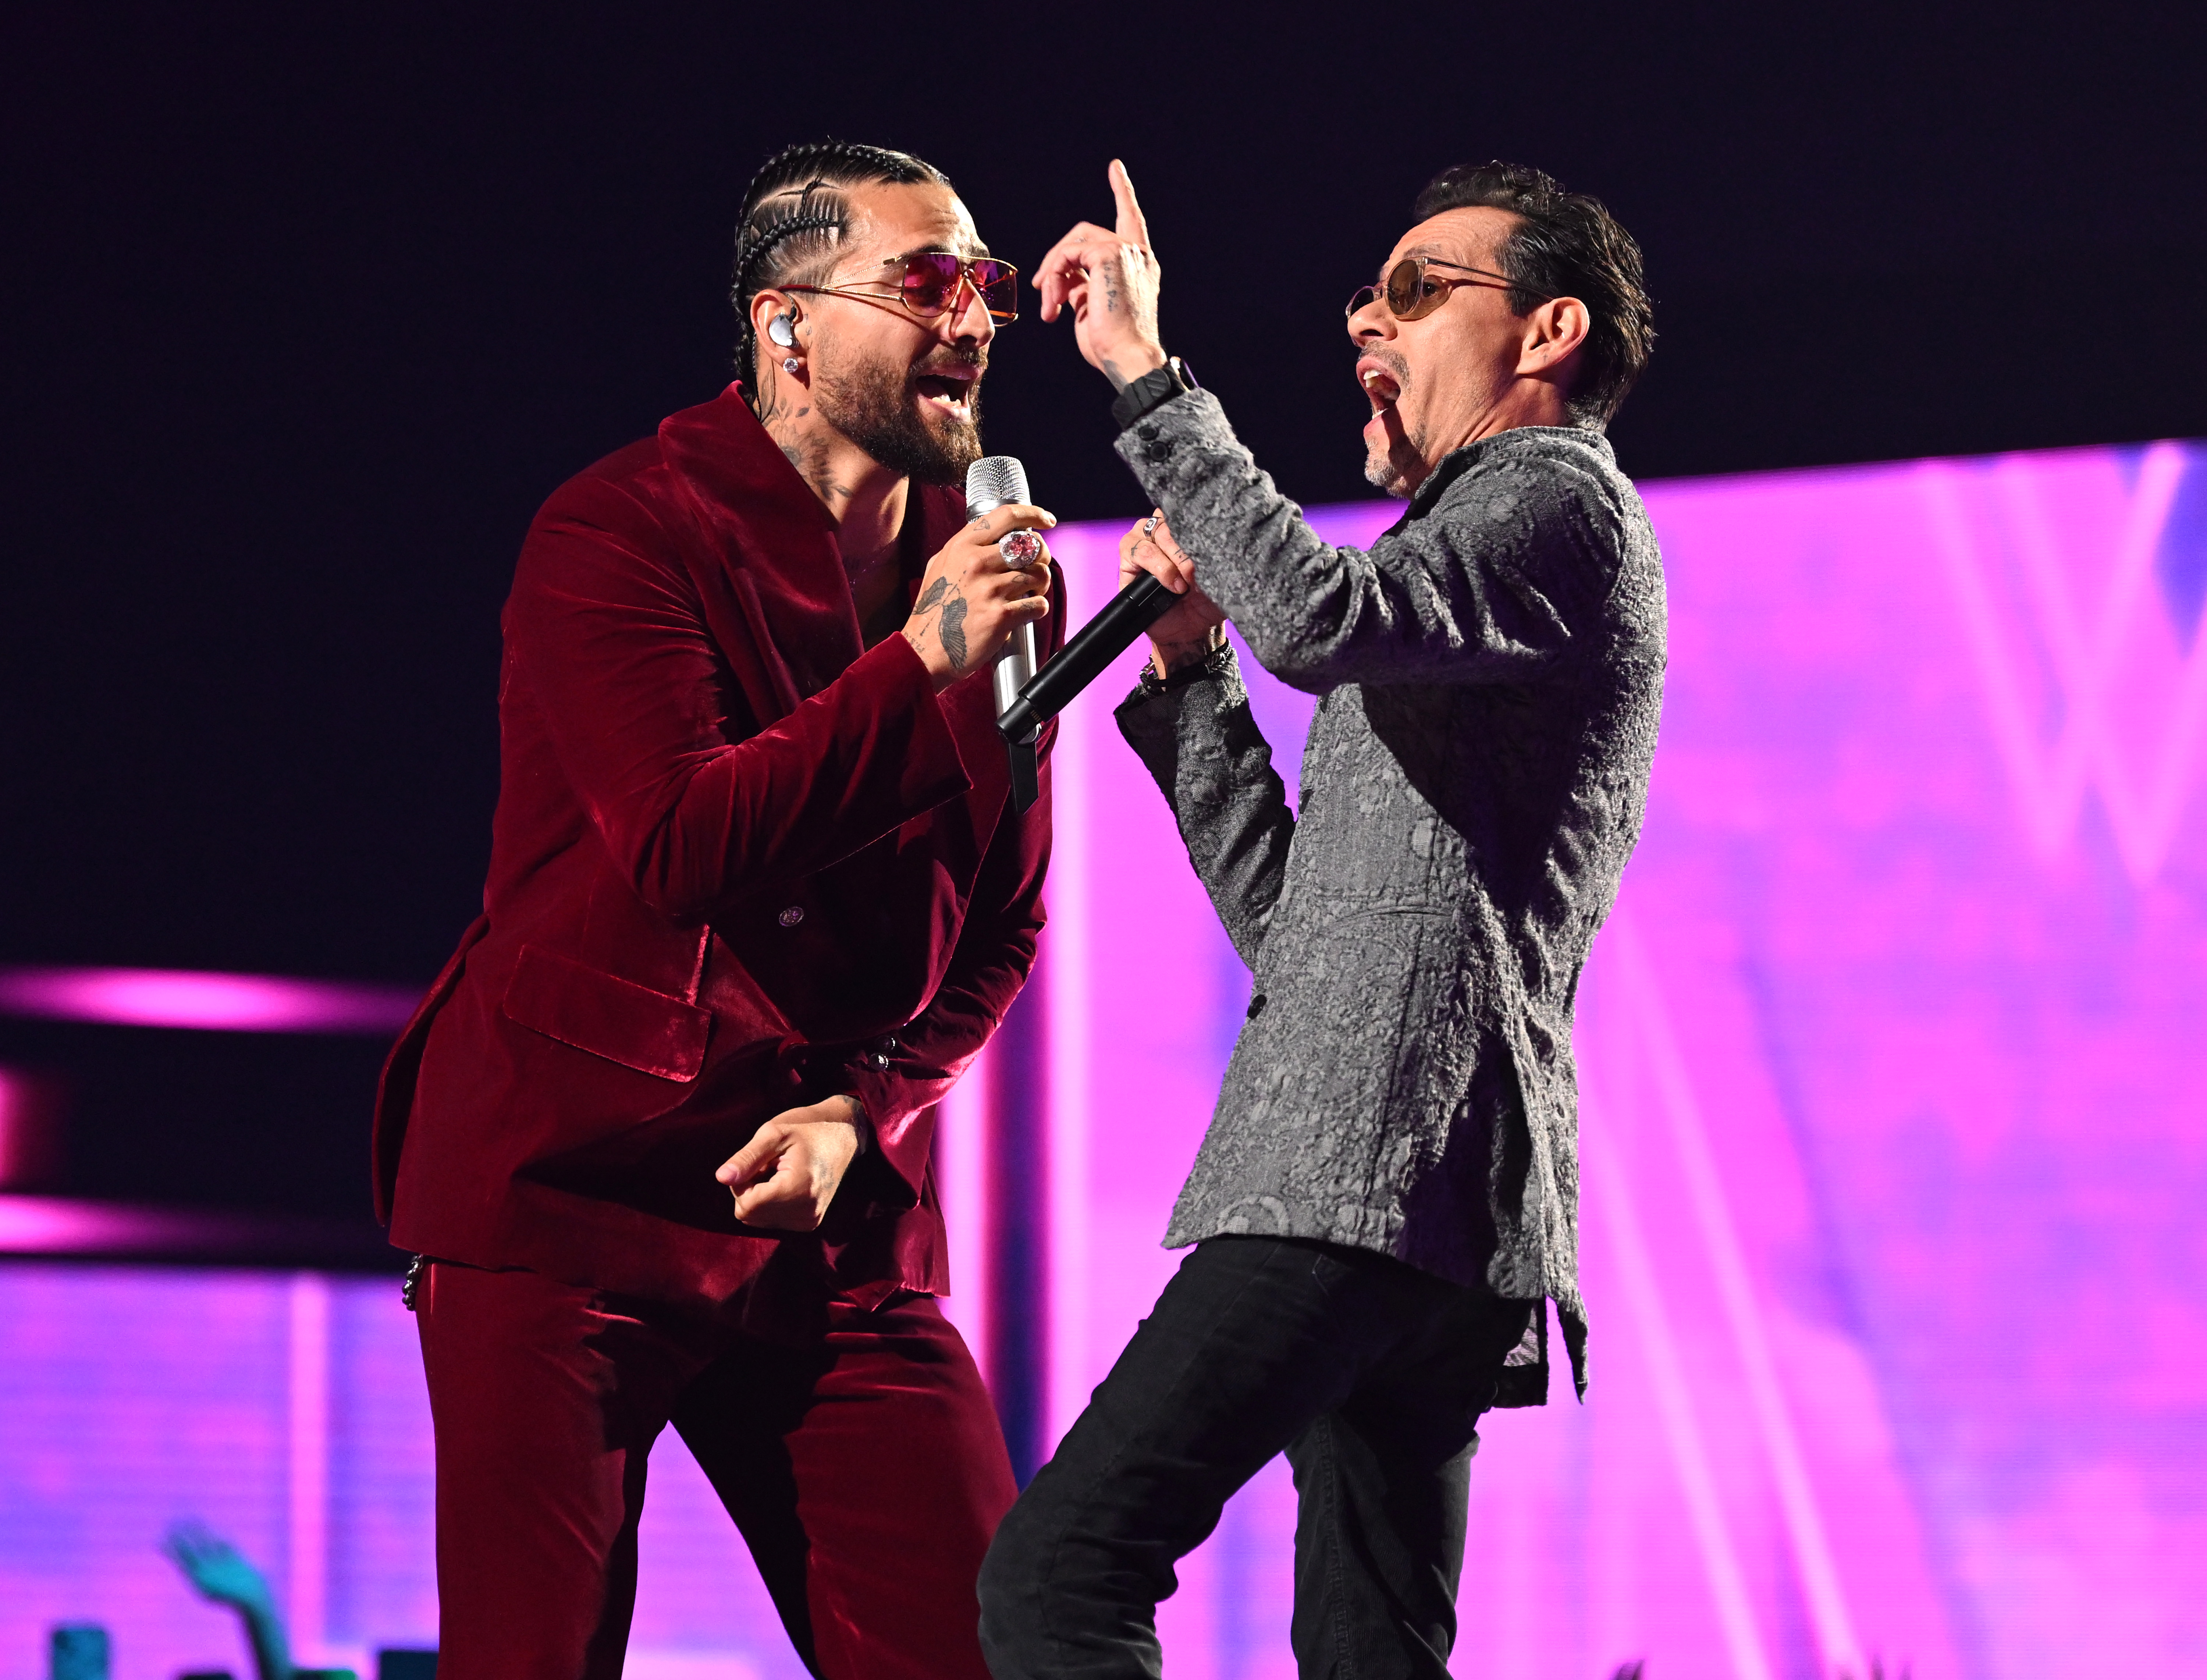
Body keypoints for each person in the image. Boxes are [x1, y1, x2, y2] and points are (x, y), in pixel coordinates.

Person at [370, 140, 1060, 1680]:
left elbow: (1008, 915)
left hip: (813, 1201)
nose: (973, 319)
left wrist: (865, 1107)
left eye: (988, 287)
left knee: (996, 1647)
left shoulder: (978, 568)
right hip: (568, 1184)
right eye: (927, 282)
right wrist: (919, 664)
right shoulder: (619, 529)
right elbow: (683, 840)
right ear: (787, 325)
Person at [977, 159, 1664, 1679]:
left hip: (1365, 1165)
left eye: (1420, 289)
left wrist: (1149, 377)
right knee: (1369, 1654)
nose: (1369, 311)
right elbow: (1311, 935)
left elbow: (1317, 617)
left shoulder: (1551, 500)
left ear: (1547, 333)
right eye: (1370, 288)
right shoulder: (1470, 565)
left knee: (1062, 1571)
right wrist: (1192, 677)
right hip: (1422, 1191)